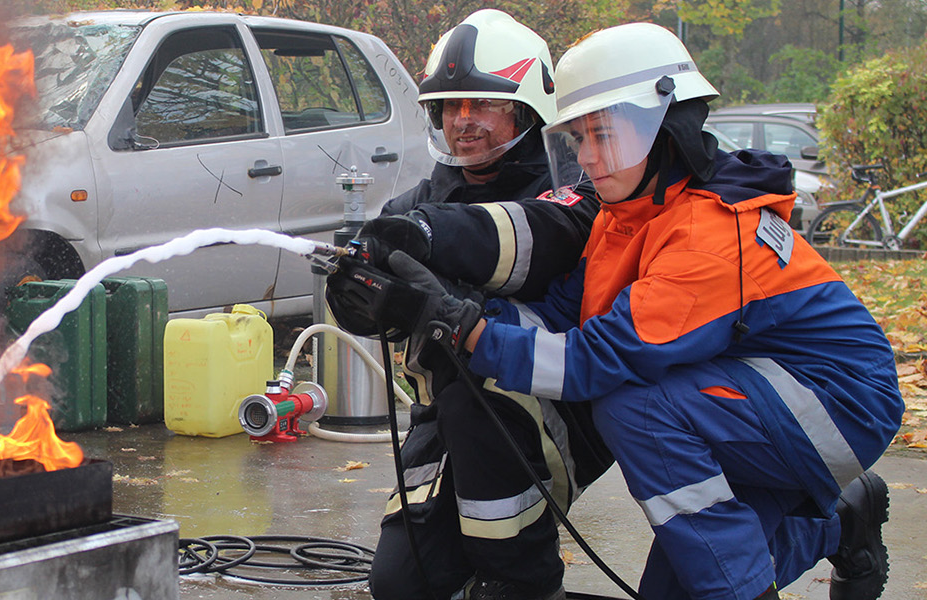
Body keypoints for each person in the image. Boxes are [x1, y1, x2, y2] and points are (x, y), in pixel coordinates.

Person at [347, 22, 901, 600]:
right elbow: (566, 314)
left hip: (836, 406)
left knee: (634, 405)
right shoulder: (631, 212)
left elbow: (593, 359)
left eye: (604, 135)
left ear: (665, 126)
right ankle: (842, 520)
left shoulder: (707, 235)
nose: (587, 159)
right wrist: (444, 312)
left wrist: (467, 331)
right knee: (682, 581)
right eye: (578, 139)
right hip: (740, 397)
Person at [332, 10, 610, 600]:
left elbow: (525, 239)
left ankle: (524, 581)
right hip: (449, 412)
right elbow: (380, 289)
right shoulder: (422, 199)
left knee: (497, 550)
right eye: (450, 106)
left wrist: (428, 238)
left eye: (482, 104)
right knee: (403, 583)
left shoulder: (576, 188)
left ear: (528, 108)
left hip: (554, 407)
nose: (463, 121)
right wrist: (359, 299)